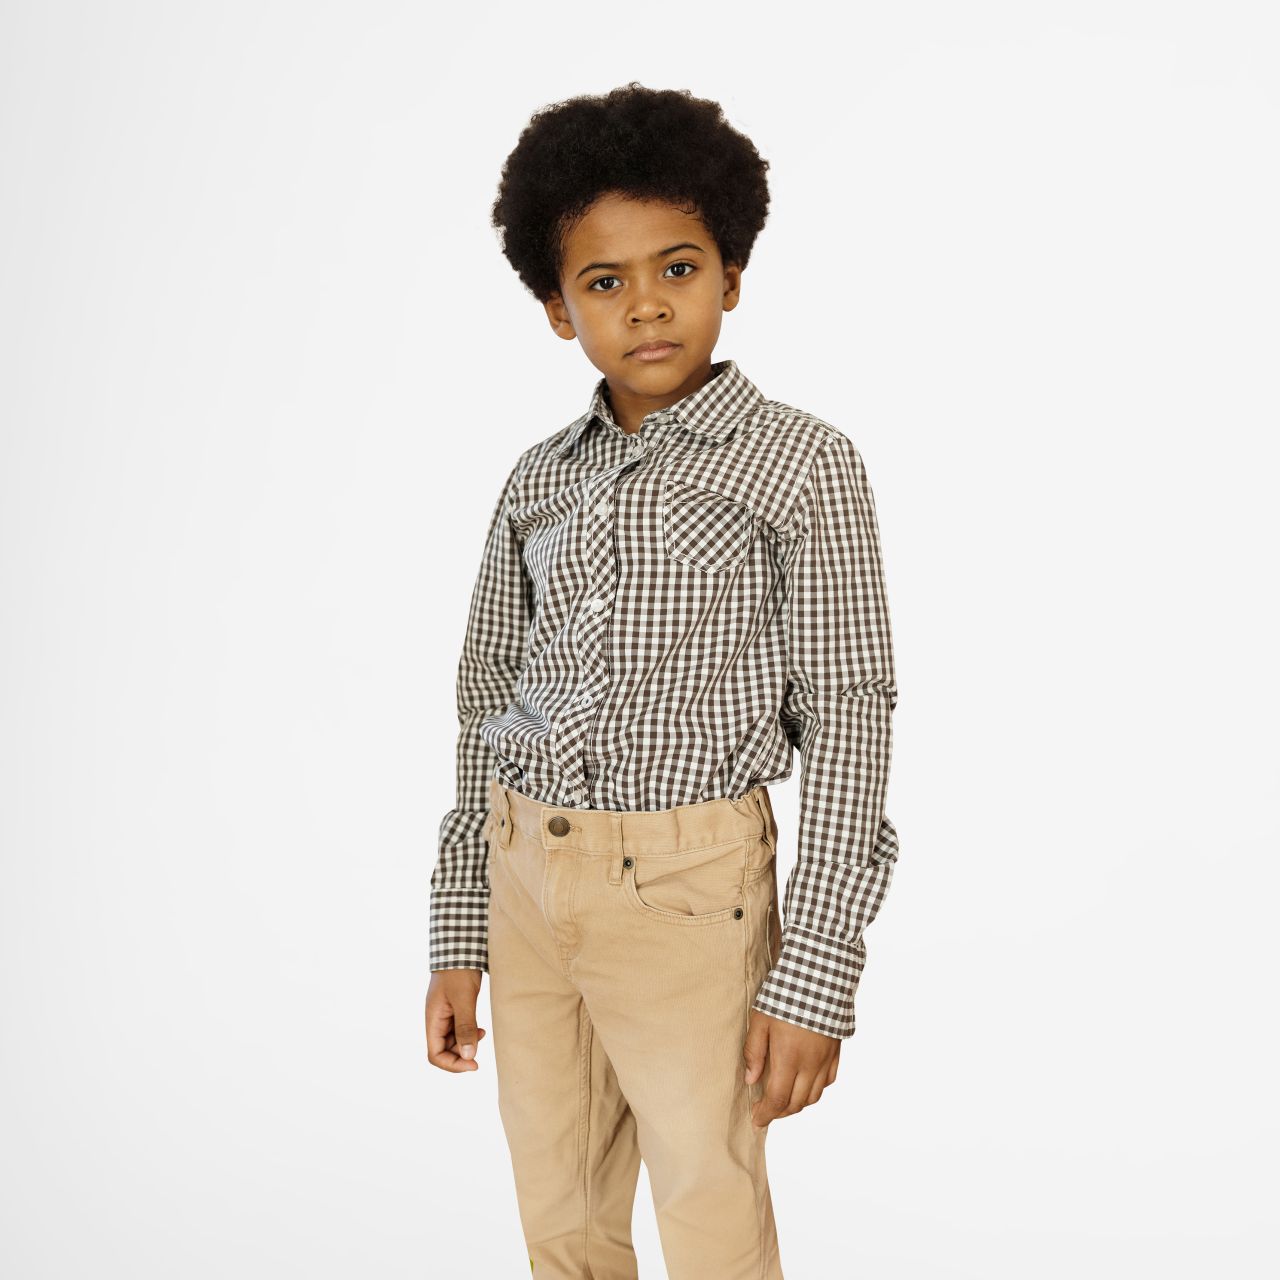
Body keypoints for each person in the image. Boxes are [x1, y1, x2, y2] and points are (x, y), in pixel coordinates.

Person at [423, 82, 899, 1279]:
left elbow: (848, 712)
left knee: (706, 1200)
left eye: (676, 268)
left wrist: (817, 971)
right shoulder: (538, 479)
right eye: (603, 281)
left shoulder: (799, 464)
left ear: (729, 274)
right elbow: (487, 697)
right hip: (525, 871)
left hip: (688, 892)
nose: (644, 303)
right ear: (556, 307)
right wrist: (459, 924)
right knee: (560, 1206)